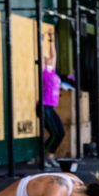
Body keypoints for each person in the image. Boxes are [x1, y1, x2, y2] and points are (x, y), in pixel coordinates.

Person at [41, 30, 65, 167]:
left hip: (50, 107)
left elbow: (53, 54)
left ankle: (49, 156)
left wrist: (51, 39)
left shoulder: (53, 71)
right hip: (44, 107)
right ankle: (43, 157)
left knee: (60, 132)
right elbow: (41, 53)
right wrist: (41, 39)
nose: (48, 57)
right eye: (45, 57)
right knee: (55, 133)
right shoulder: (43, 71)